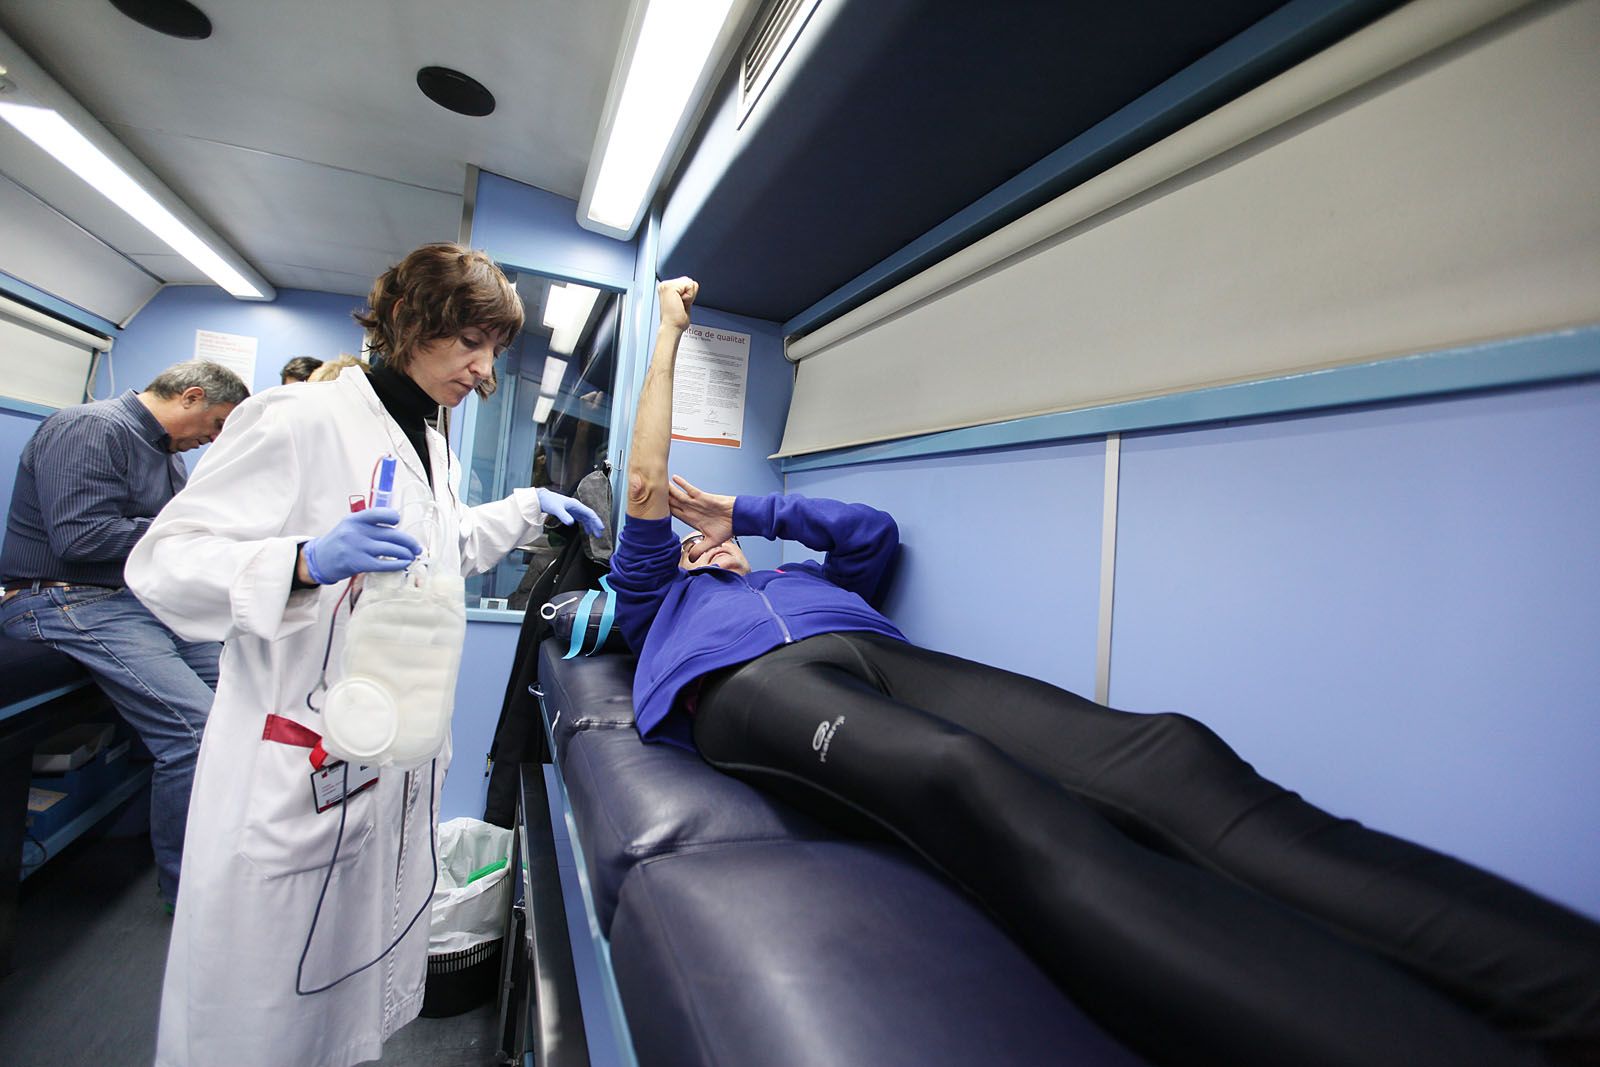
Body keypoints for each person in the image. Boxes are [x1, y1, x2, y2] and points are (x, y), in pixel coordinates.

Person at [607, 279, 1600, 1067]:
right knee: (970, 779)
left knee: (1169, 758)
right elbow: (648, 486)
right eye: (691, 542)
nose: (697, 544)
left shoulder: (807, 576)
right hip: (748, 690)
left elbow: (874, 532)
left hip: (875, 654)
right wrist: (667, 330)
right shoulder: (660, 602)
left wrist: (750, 516)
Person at [124, 244, 605, 1067]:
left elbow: (439, 547)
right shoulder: (298, 418)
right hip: (291, 764)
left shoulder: (431, 437)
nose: (487, 371)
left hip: (377, 763)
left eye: (495, 349)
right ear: (415, 324)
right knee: (258, 1017)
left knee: (338, 1009)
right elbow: (162, 563)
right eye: (472, 344)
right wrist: (304, 559)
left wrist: (527, 507)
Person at [1, 360, 248, 908]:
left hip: (132, 601)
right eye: (217, 423)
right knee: (197, 730)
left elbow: (168, 542)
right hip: (61, 596)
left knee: (242, 699)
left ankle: (228, 858)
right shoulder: (91, 428)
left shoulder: (166, 458)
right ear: (190, 396)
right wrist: (194, 536)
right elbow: (83, 538)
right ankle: (189, 895)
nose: (213, 439)